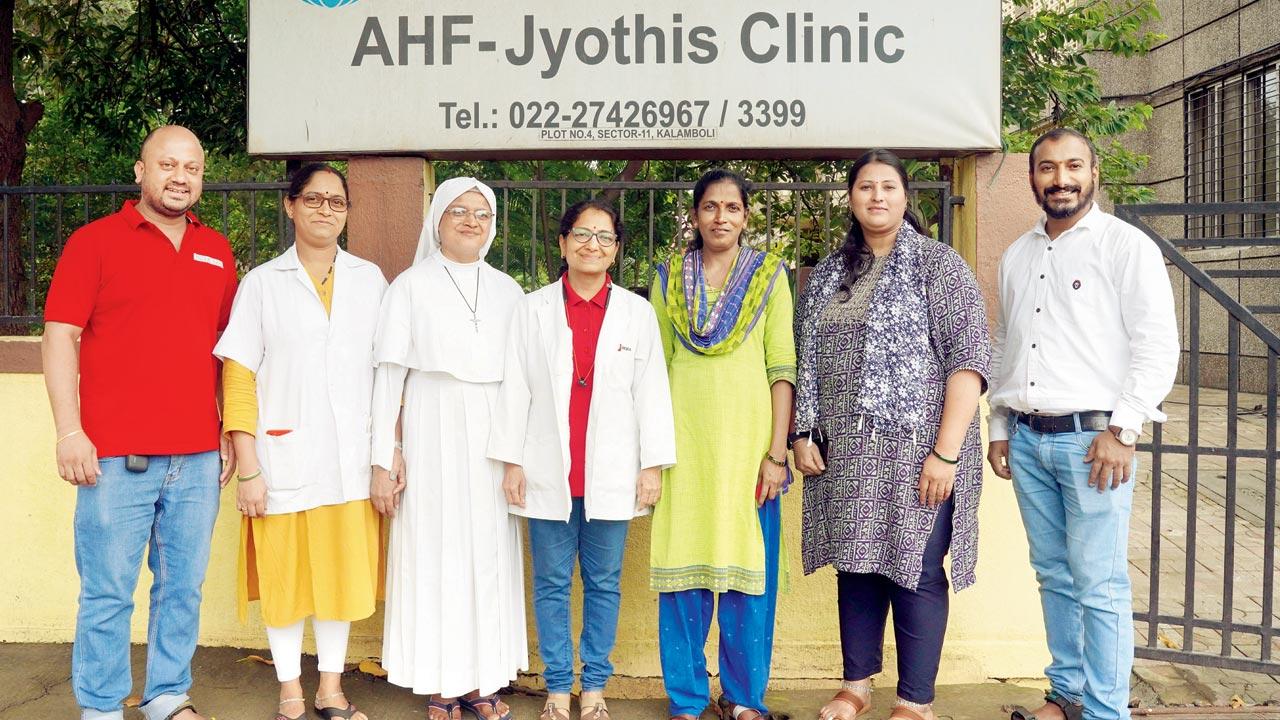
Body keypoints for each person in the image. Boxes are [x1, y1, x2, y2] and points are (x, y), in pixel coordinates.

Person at [42, 126, 237, 720]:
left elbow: (229, 349)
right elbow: (59, 336)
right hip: (115, 456)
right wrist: (69, 431)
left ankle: (167, 695)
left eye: (192, 168)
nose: (180, 177)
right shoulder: (94, 242)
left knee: (181, 590)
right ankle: (101, 707)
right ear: (141, 171)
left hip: (198, 457)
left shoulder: (218, 251)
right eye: (167, 165)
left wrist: (228, 430)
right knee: (107, 593)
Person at [792, 150, 991, 720]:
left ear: (906, 198)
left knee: (917, 570)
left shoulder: (939, 265)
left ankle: (915, 701)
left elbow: (968, 363)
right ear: (850, 199)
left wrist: (945, 453)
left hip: (919, 452)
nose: (876, 196)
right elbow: (805, 357)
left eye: (888, 186)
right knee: (855, 567)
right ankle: (856, 686)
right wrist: (804, 431)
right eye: (864, 187)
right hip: (848, 454)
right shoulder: (830, 274)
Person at [988, 128, 1179, 720]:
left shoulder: (1125, 247)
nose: (1061, 179)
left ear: (1094, 174)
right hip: (1027, 440)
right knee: (1053, 576)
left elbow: (1156, 344)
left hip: (1094, 443)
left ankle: (1104, 710)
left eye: (1073, 167)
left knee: (1099, 586)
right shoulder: (1018, 254)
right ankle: (1066, 694)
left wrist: (1124, 431)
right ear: (1033, 179)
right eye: (1048, 168)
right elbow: (1005, 344)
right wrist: (998, 425)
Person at [489, 199, 677, 720]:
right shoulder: (533, 309)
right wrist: (512, 460)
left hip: (612, 471)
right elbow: (516, 386)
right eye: (582, 234)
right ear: (563, 243)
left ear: (616, 250)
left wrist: (652, 464)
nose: (592, 244)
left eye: (604, 237)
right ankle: (556, 686)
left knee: (604, 581)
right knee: (550, 582)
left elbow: (652, 391)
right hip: (548, 468)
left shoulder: (636, 313)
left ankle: (593, 685)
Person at [214, 163, 386, 720]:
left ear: (348, 213)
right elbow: (238, 373)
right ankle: (290, 687)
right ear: (290, 206)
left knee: (338, 577)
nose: (325, 210)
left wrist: (390, 449)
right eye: (313, 199)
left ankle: (330, 688)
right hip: (280, 456)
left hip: (350, 459)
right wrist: (248, 466)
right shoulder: (262, 282)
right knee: (286, 577)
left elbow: (388, 373)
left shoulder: (370, 279)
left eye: (336, 202)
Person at [371, 177, 527, 720]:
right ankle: (442, 682)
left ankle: (483, 680)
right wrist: (386, 451)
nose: (470, 221)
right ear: (437, 219)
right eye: (458, 211)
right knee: (436, 551)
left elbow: (520, 381)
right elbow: (389, 376)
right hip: (430, 428)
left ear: (492, 225)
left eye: (481, 213)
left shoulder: (509, 290)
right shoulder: (409, 287)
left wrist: (515, 454)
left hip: (492, 434)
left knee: (487, 553)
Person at [648, 169, 796, 720]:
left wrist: (777, 453)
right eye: (710, 207)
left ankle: (743, 699)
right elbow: (655, 366)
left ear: (745, 216)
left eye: (731, 208)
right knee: (682, 573)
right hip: (682, 449)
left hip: (748, 450)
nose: (720, 217)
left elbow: (782, 367)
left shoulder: (769, 277)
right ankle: (686, 700)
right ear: (695, 215)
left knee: (746, 577)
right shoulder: (668, 278)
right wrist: (652, 452)